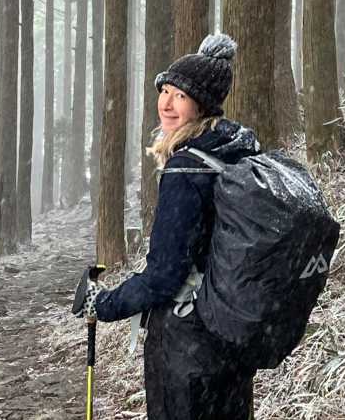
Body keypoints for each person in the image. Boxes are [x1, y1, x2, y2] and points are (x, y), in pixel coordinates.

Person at [90, 33, 260, 420]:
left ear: (201, 104)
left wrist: (103, 304)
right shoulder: (235, 151)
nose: (165, 103)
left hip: (188, 340)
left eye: (179, 95)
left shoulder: (186, 168)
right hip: (230, 332)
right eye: (164, 90)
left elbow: (164, 276)